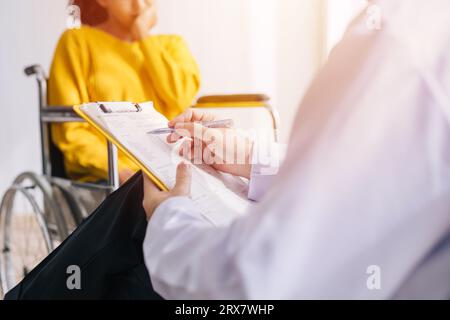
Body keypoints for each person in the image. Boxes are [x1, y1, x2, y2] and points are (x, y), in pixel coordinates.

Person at [6, 0, 450, 300]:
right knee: (148, 193)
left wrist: (167, 219)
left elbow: (182, 93)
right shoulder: (76, 43)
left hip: (166, 166)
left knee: (143, 210)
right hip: (120, 164)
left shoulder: (168, 46)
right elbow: (72, 135)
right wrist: (247, 155)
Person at [141, 0, 450, 299]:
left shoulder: (397, 42)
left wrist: (165, 221)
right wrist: (247, 156)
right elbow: (381, 181)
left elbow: (257, 284)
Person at [49, 0, 200, 184]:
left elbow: (180, 97)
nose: (139, 5)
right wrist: (118, 170)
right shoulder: (77, 42)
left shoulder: (172, 45)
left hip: (173, 170)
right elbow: (71, 132)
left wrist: (142, 34)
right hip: (111, 177)